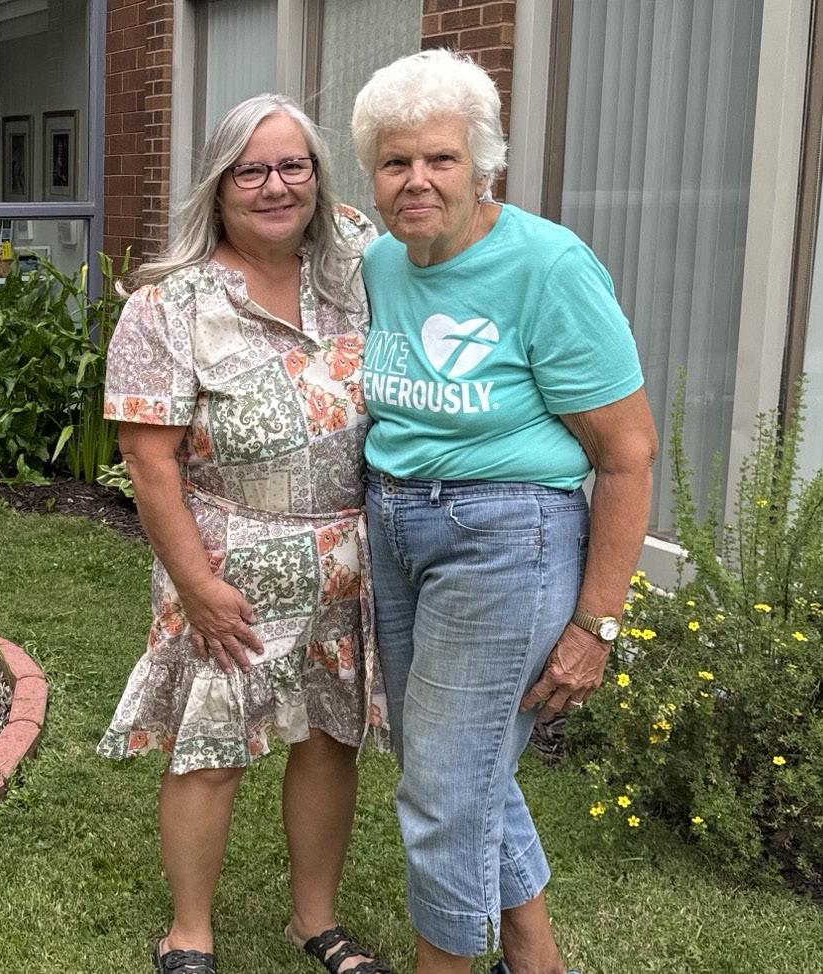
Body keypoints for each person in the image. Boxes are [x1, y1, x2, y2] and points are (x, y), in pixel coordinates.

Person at [350, 50, 658, 974]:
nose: (417, 180)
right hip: (396, 529)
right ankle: (537, 961)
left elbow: (628, 453)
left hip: (504, 538)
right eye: (396, 161)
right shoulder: (382, 264)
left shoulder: (548, 266)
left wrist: (597, 624)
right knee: (456, 764)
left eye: (440, 158)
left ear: (481, 164)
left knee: (444, 791)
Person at [99, 93, 390, 974]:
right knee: (210, 747)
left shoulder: (357, 273)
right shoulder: (168, 306)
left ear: (319, 177)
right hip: (228, 569)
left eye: (293, 165)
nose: (275, 186)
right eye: (251, 170)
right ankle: (189, 931)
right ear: (218, 187)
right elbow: (149, 461)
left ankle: (316, 922)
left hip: (346, 564)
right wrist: (195, 585)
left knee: (329, 740)